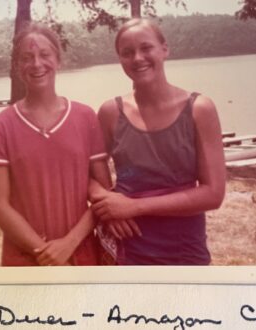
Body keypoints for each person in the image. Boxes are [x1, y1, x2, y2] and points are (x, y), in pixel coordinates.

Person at [91, 18, 226, 265]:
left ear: (165, 49)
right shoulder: (111, 112)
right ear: (120, 59)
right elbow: (85, 174)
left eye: (146, 48)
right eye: (127, 52)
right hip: (126, 248)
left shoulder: (198, 109)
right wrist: (107, 205)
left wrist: (133, 207)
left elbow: (213, 194)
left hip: (184, 251)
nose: (137, 58)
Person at [0, 23, 109, 266]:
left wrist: (68, 244)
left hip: (81, 256)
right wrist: (44, 252)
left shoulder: (85, 117)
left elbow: (104, 195)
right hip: (25, 259)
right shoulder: (1, 125)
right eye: (27, 57)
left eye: (45, 55)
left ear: (58, 60)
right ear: (18, 66)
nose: (37, 64)